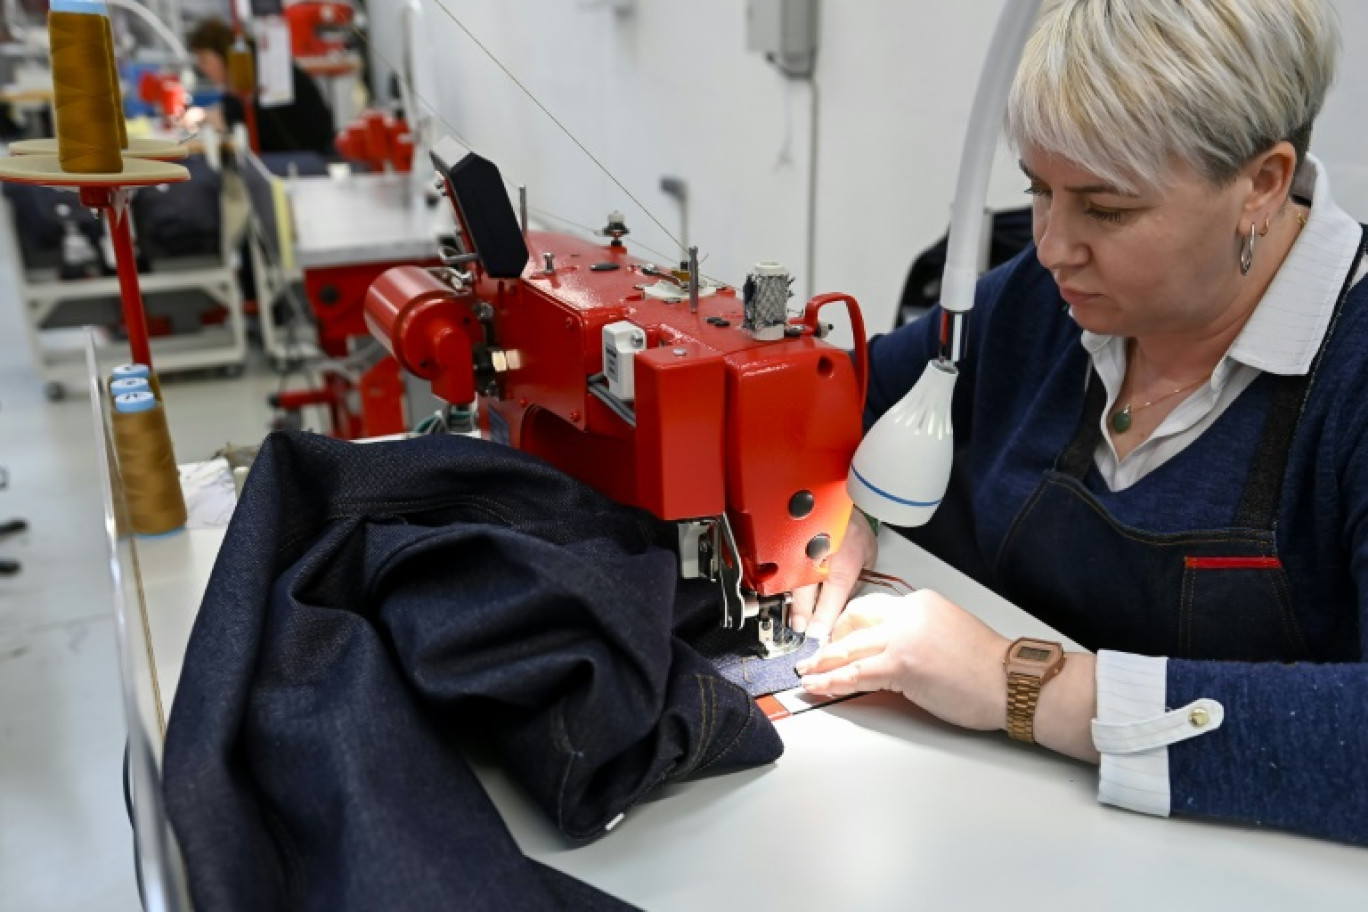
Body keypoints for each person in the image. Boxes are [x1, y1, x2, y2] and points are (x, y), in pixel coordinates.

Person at [790, 0, 1368, 845]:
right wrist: (829, 510)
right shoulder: (1045, 300)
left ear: (1262, 183)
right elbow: (844, 400)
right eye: (1037, 190)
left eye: (1106, 210)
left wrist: (1018, 685)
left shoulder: (1348, 378)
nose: (1054, 244)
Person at [185, 17, 336, 155]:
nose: (203, 68)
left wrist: (208, 117)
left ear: (222, 53)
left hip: (306, 156)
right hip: (295, 152)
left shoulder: (257, 72)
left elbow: (240, 117)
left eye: (204, 59)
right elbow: (232, 109)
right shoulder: (251, 67)